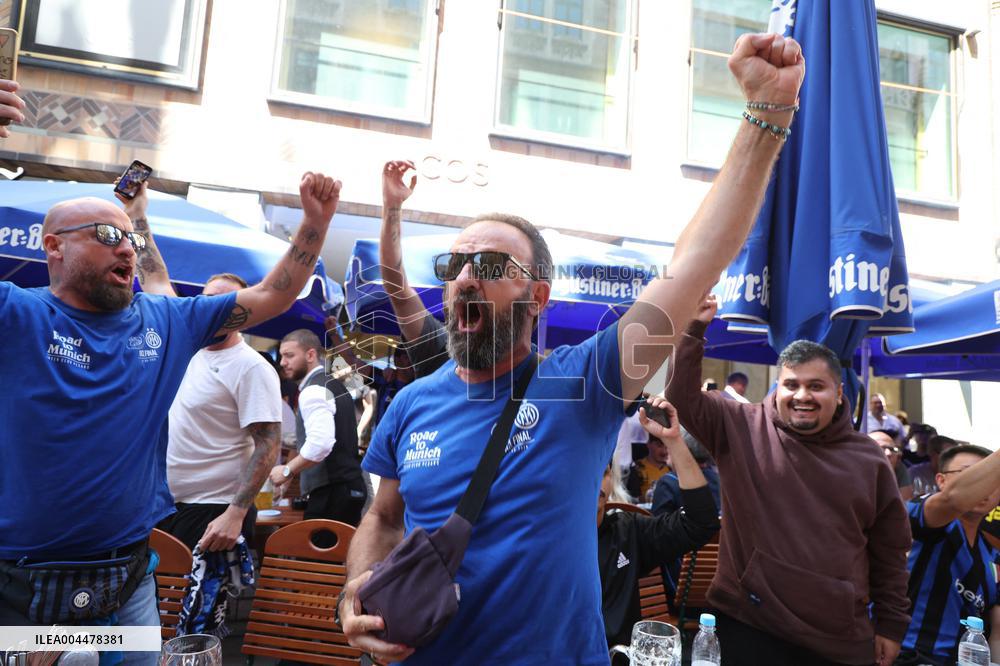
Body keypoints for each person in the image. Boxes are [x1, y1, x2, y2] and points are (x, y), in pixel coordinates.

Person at [340, 32, 806, 665]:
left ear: (537, 297)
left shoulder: (583, 382)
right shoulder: (413, 402)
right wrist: (356, 593)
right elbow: (385, 517)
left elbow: (692, 268)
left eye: (491, 263)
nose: (465, 275)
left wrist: (765, 113)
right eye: (455, 262)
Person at [0, 170, 342, 662]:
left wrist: (315, 222)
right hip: (26, 584)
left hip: (128, 578)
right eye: (106, 234)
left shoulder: (164, 320)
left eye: (129, 240)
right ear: (54, 246)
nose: (125, 249)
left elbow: (274, 294)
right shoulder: (17, 313)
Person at [667, 296, 911, 666]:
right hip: (750, 627)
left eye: (816, 386)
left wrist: (892, 626)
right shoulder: (740, 426)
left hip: (841, 639)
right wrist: (694, 328)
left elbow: (890, 550)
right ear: (777, 388)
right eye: (791, 385)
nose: (802, 396)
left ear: (839, 392)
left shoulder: (869, 459)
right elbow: (681, 400)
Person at [159, 273, 283, 552]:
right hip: (165, 505)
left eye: (227, 303)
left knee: (197, 597)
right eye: (209, 300)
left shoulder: (251, 367)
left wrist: (235, 513)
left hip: (214, 510)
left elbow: (268, 445)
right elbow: (156, 279)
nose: (216, 309)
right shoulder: (188, 350)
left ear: (244, 314)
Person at [600, 397, 719, 648]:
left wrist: (673, 440)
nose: (597, 485)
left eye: (603, 472)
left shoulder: (626, 530)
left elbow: (700, 523)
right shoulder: (541, 536)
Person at [896, 444, 1000, 665]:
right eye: (968, 474)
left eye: (990, 480)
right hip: (908, 657)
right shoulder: (924, 514)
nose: (983, 487)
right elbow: (953, 500)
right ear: (941, 481)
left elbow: (997, 630)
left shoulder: (992, 556)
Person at [272, 329, 367, 527]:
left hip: (332, 493)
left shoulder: (314, 390)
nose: (282, 363)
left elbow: (320, 443)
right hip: (347, 488)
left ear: (310, 355)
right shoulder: (333, 384)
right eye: (281, 356)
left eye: (289, 355)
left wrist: (287, 471)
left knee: (318, 558)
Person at [651, 427, 721, 516]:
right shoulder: (717, 479)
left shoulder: (668, 483)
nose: (666, 447)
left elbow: (658, 526)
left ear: (681, 449)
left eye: (671, 442)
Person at [871, 429, 914, 502]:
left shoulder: (899, 468)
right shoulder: (853, 473)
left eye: (892, 449)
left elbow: (905, 503)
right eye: (882, 448)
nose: (888, 453)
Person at [626, 433, 671, 502]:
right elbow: (633, 499)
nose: (664, 451)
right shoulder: (636, 468)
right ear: (648, 444)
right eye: (659, 446)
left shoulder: (673, 469)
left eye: (667, 446)